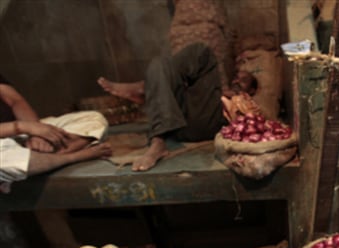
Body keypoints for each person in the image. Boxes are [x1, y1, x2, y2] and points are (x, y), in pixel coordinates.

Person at [96, 57, 259, 172]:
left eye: (243, 80)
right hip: (179, 121)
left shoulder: (248, 102)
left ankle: (144, 89)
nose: (237, 81)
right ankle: (158, 139)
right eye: (236, 78)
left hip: (206, 123)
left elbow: (247, 125)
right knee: (159, 63)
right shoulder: (213, 93)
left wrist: (230, 94)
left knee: (202, 51)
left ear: (251, 90)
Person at [0, 74, 112, 194]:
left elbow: (15, 101)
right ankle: (73, 157)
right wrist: (22, 127)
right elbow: (20, 126)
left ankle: (36, 160)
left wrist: (37, 133)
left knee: (93, 118)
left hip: (21, 135)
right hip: (6, 142)